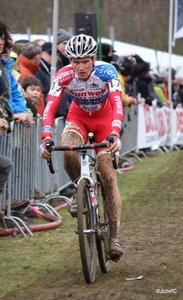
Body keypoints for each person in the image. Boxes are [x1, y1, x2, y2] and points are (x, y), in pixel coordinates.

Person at [40, 34, 124, 261]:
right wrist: (46, 137)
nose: (79, 67)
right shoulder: (64, 75)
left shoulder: (107, 71)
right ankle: (80, 191)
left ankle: (114, 237)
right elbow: (50, 107)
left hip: (105, 119)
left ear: (93, 59)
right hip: (78, 118)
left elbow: (117, 103)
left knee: (107, 175)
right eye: (75, 62)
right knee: (67, 149)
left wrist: (115, 132)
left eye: (84, 61)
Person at [17, 41, 44, 116]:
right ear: (37, 57)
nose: (36, 92)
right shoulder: (24, 73)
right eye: (32, 89)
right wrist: (35, 114)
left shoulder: (23, 68)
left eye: (37, 90)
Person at [35, 42, 59, 107]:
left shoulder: (55, 69)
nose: (53, 56)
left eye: (56, 54)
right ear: (41, 54)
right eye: (50, 53)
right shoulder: (38, 70)